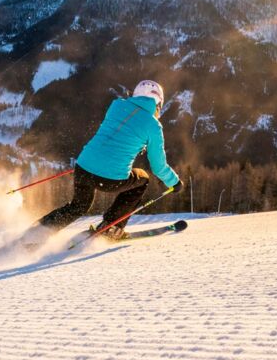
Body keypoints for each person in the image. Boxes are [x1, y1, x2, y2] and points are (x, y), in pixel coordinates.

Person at [33, 79, 184, 241]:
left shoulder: (117, 105)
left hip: (83, 167)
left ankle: (39, 230)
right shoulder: (153, 126)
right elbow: (158, 166)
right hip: (110, 178)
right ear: (158, 103)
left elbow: (113, 136)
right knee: (143, 179)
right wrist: (174, 183)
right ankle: (111, 227)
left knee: (78, 206)